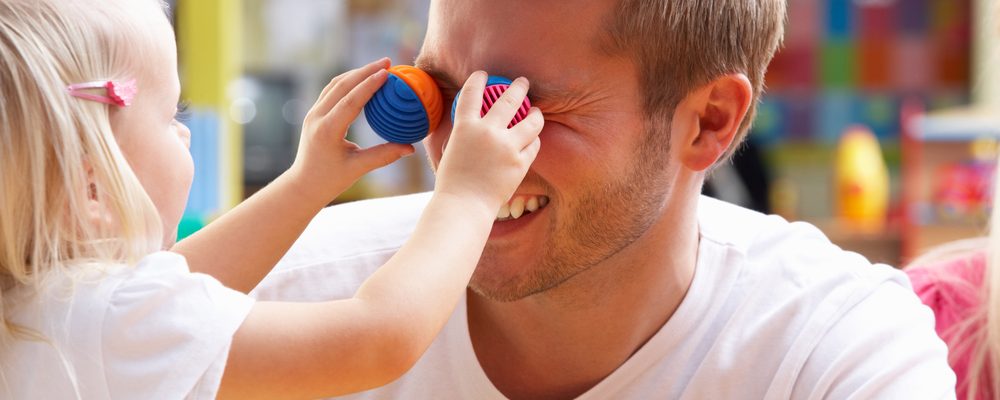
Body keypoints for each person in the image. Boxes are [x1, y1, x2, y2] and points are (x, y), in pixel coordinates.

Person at [252, 0, 957, 398]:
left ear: (708, 121)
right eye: (436, 88)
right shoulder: (285, 298)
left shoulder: (831, 349)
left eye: (516, 106)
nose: (461, 149)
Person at [0, 0, 543, 398]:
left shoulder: (43, 310)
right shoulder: (107, 326)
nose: (187, 135)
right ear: (92, 189)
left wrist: (307, 184)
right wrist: (468, 193)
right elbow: (375, 341)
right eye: (172, 117)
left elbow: (184, 278)